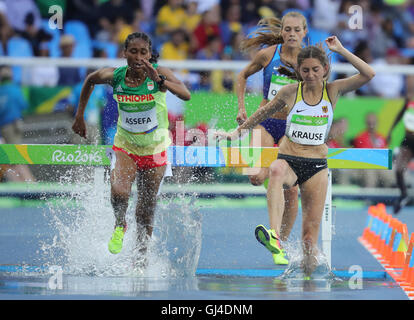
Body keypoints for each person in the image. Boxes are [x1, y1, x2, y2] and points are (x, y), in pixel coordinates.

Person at [216, 36, 375, 277]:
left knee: (309, 239)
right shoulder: (290, 92)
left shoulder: (333, 90)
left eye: (315, 70)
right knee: (276, 170)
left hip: (316, 166)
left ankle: (308, 283)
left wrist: (341, 49)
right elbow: (261, 114)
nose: (310, 74)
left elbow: (368, 74)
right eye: (305, 70)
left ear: (325, 70)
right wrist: (235, 135)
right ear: (298, 72)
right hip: (290, 159)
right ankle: (274, 235)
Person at [72, 32, 191, 264]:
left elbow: (185, 94)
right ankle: (119, 224)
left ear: (149, 54)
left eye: (143, 52)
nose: (138, 57)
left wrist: (159, 81)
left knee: (145, 211)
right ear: (124, 53)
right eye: (133, 52)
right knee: (119, 191)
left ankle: (140, 258)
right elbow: (90, 80)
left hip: (155, 150)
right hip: (126, 145)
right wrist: (79, 116)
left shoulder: (159, 74)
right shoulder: (115, 76)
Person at [235, 12, 308, 265]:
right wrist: (241, 108)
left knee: (292, 190)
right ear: (283, 31)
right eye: (287, 29)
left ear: (304, 32)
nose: (291, 34)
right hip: (265, 121)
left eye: (297, 30)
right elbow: (242, 75)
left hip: (293, 127)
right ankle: (277, 236)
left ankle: (279, 242)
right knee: (256, 177)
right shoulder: (268, 55)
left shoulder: (309, 60)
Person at [387, 98, 414, 214]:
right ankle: (403, 195)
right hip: (408, 141)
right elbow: (399, 115)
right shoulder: (409, 100)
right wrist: (390, 131)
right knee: (398, 169)